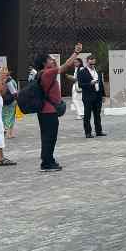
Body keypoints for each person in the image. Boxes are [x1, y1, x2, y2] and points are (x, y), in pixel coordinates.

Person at [35, 44, 82, 172]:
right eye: (50, 59)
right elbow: (66, 65)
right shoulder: (48, 73)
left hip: (45, 111)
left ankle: (48, 159)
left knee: (47, 136)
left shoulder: (42, 73)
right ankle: (47, 162)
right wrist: (76, 53)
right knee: (50, 137)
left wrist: (55, 62)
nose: (53, 60)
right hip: (48, 111)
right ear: (45, 63)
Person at [78, 55, 106, 138]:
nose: (93, 65)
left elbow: (101, 83)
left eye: (94, 63)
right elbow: (80, 85)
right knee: (87, 115)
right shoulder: (82, 72)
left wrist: (103, 95)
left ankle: (99, 131)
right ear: (87, 62)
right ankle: (88, 132)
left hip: (98, 96)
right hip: (88, 97)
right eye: (91, 64)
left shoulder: (98, 71)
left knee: (97, 115)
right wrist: (90, 84)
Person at [1, 70, 18, 139]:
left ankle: (4, 131)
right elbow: (15, 92)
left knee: (3, 116)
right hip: (11, 101)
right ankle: (9, 133)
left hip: (3, 102)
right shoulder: (12, 81)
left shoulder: (0, 81)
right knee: (11, 117)